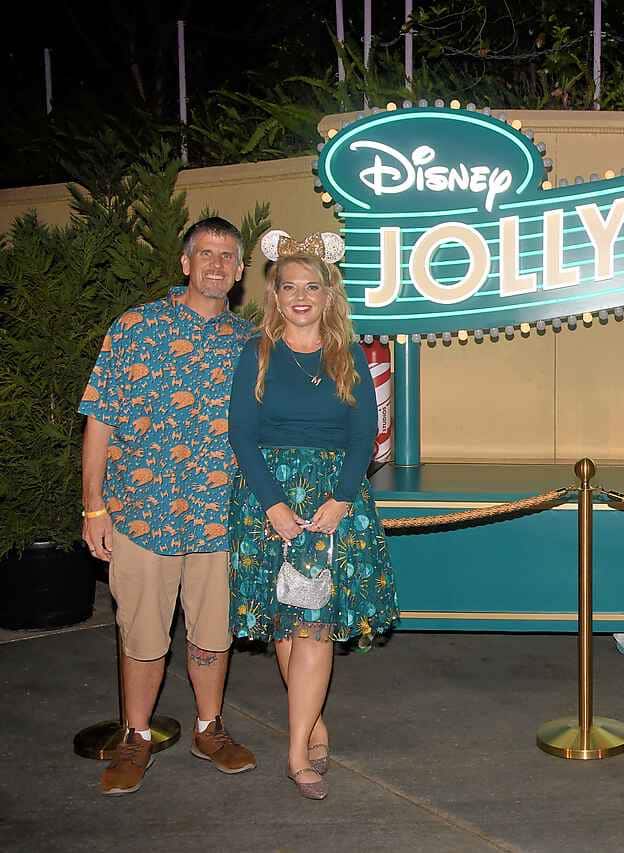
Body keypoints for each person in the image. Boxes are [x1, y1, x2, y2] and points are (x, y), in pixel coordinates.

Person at [80, 216, 258, 796]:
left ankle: (210, 729)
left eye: (228, 256)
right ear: (186, 263)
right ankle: (136, 737)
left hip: (219, 517)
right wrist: (93, 507)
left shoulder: (250, 342)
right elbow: (99, 420)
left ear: (239, 270)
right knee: (142, 635)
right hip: (141, 514)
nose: (216, 264)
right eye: (206, 253)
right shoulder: (136, 327)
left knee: (213, 633)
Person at [227, 230, 398, 800]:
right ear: (274, 294)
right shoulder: (256, 352)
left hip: (332, 500)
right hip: (268, 497)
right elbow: (241, 435)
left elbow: (364, 434)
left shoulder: (347, 354)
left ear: (329, 295)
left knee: (315, 624)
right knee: (287, 621)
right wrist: (273, 504)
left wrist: (343, 498)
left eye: (312, 287)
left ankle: (296, 752)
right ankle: (313, 723)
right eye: (289, 287)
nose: (300, 296)